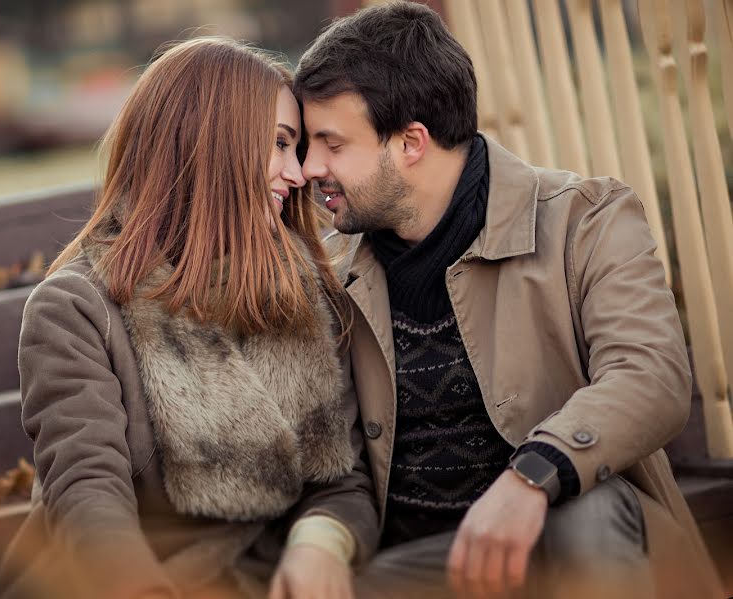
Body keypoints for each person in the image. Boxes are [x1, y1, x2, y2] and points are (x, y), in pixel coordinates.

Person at [293, 3, 722, 598]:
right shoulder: (331, 273)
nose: (310, 167)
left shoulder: (587, 219)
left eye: (331, 143)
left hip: (573, 539)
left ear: (411, 141)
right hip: (423, 566)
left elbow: (651, 377)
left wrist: (532, 478)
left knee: (583, 514)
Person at [0, 37, 378, 599]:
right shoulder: (77, 309)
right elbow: (88, 495)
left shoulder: (300, 295)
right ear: (210, 145)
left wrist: (319, 546)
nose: (299, 174)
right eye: (279, 144)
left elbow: (340, 481)